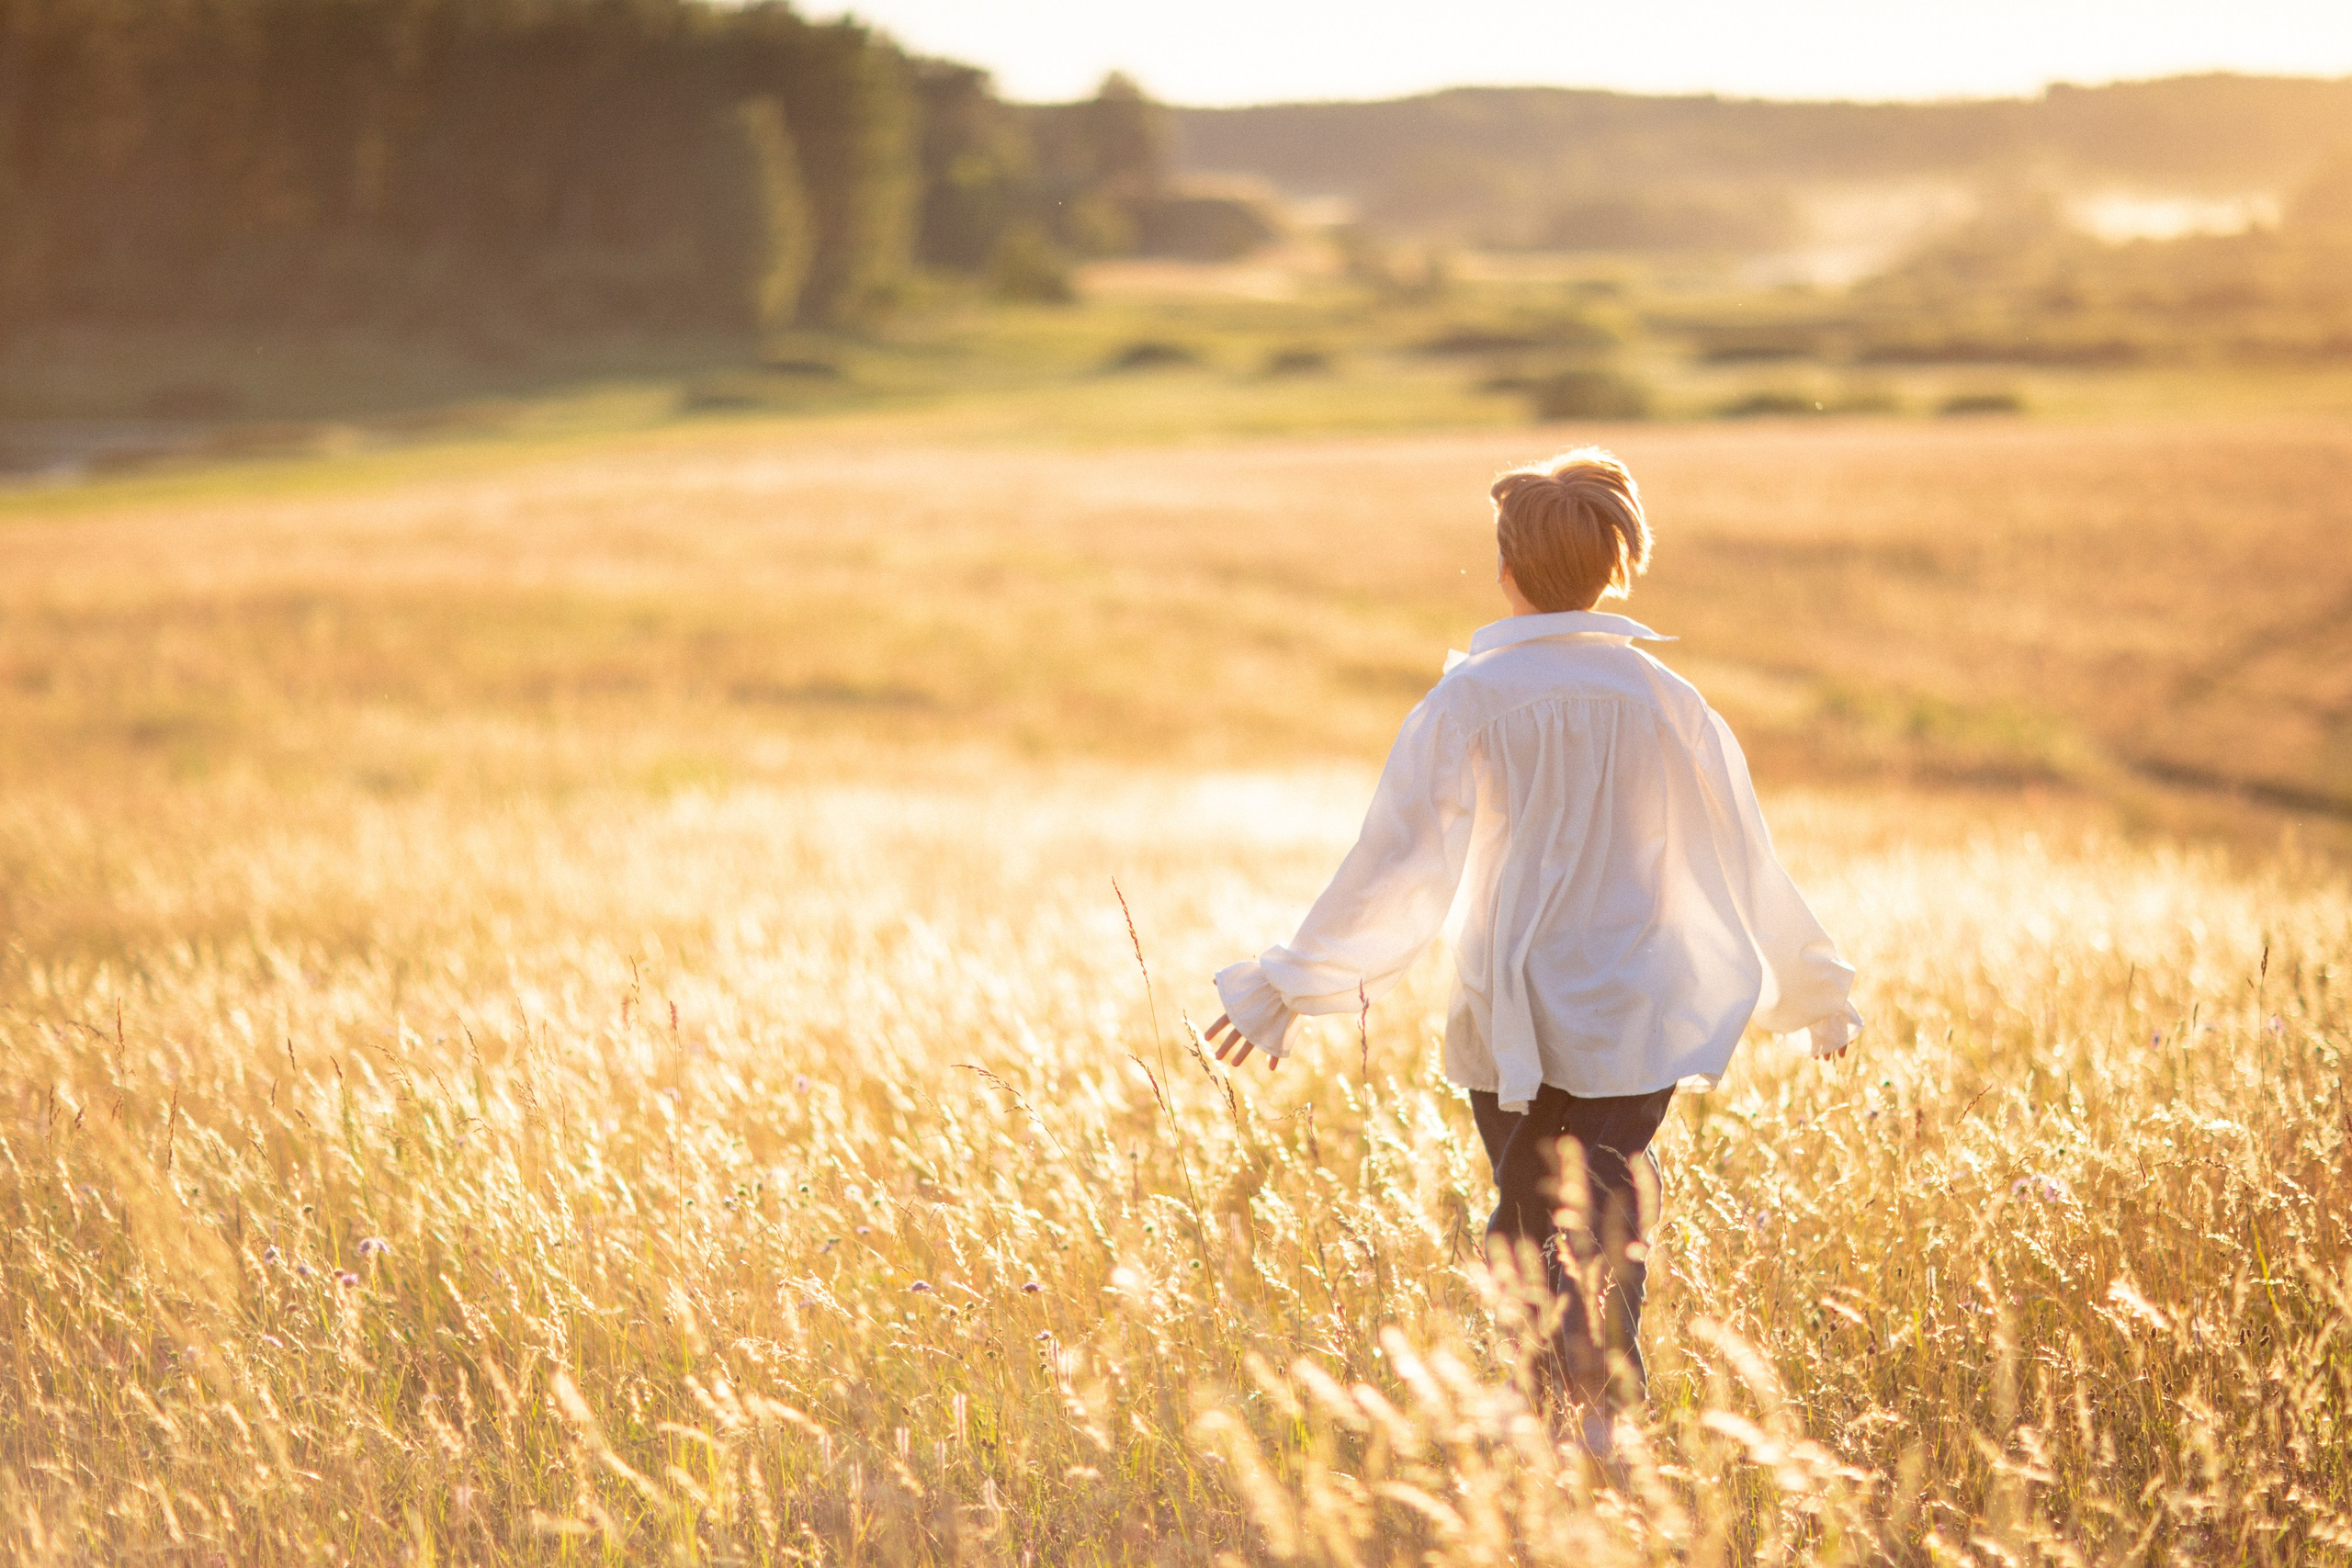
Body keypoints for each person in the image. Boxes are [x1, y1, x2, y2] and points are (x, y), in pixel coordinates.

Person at [1204, 446, 1861, 1444]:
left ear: (1506, 571)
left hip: (1512, 1008)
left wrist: (1285, 983)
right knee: (1579, 1215)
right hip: (1636, 1003)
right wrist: (1817, 990)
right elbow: (1746, 851)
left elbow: (1395, 863)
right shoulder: (1664, 698)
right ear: (1615, 567)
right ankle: (1586, 1428)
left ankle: (1587, 1428)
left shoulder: (1470, 699)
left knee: (1528, 1231)